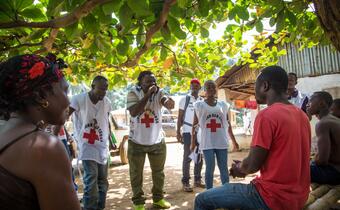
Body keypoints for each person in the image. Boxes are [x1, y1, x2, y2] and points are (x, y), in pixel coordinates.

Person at [194, 66, 311, 210]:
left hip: (271, 197)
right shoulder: (302, 115)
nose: (254, 91)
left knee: (201, 199)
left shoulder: (267, 115)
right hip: (299, 196)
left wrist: (238, 168)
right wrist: (245, 164)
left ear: (265, 86)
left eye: (255, 86)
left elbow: (251, 166)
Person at [0, 54, 80, 210]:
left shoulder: (4, 130)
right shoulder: (44, 148)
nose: (69, 101)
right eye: (65, 91)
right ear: (41, 96)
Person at [127, 71, 175, 210]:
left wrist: (169, 102)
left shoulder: (159, 93)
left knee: (159, 173)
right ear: (140, 83)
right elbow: (134, 111)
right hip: (136, 142)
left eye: (154, 81)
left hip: (157, 141)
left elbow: (167, 103)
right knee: (136, 174)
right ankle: (139, 203)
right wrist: (148, 94)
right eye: (148, 81)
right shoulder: (133, 93)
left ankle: (158, 199)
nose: (152, 84)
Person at [69, 75, 112, 210]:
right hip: (86, 145)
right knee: (91, 179)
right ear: (92, 86)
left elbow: (106, 121)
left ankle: (100, 207)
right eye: (101, 89)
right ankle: (89, 207)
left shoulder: (107, 102)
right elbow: (65, 114)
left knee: (103, 181)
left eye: (106, 89)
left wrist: (111, 138)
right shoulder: (78, 99)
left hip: (102, 145)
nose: (103, 92)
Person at [191, 80, 238, 190]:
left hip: (221, 141)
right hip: (207, 142)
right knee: (210, 168)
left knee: (223, 168)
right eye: (209, 87)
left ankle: (226, 191)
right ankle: (209, 193)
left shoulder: (223, 105)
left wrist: (234, 141)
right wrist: (193, 143)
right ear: (204, 90)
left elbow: (228, 124)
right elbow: (194, 126)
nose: (212, 89)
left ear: (216, 89)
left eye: (213, 87)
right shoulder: (199, 105)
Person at [177, 78, 205, 192]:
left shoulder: (202, 100)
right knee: (188, 156)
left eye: (196, 85)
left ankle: (197, 180)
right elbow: (180, 117)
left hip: (200, 132)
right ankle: (185, 181)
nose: (194, 87)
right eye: (192, 85)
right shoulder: (185, 99)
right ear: (190, 87)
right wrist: (178, 131)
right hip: (188, 131)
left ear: (200, 87)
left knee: (199, 156)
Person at [307, 92, 340, 185]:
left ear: (321, 103)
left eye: (311, 100)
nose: (307, 103)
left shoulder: (323, 123)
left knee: (292, 169)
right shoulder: (334, 119)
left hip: (335, 173)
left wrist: (312, 161)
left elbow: (322, 160)